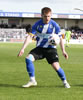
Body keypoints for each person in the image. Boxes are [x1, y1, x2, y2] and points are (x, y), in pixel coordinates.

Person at [18, 7, 70, 88]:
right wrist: (23, 48)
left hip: (51, 49)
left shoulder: (54, 25)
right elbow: (29, 37)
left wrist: (63, 51)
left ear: (51, 15)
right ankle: (32, 80)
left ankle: (65, 81)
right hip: (40, 48)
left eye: (49, 16)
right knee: (28, 59)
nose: (47, 18)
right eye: (45, 16)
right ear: (41, 15)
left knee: (56, 66)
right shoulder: (37, 24)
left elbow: (60, 38)